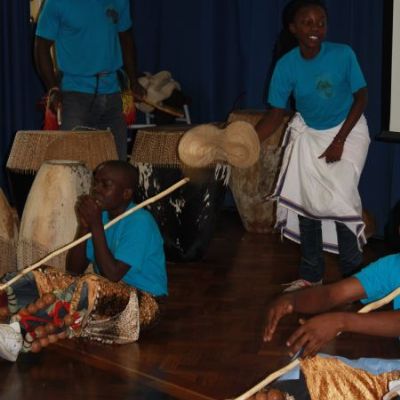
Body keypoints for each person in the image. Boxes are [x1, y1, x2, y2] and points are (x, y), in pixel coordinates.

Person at [0, 160, 167, 361]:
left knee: (90, 284)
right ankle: (8, 314)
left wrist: (95, 224)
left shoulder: (140, 221)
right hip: (104, 294)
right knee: (44, 273)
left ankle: (18, 330)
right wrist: (85, 226)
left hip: (143, 305)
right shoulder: (103, 216)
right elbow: (74, 269)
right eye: (95, 183)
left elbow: (112, 275)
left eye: (105, 185)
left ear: (126, 194)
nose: (96, 190)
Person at [256, 0, 370, 292]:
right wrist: (245, 144)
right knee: (306, 206)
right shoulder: (286, 65)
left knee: (342, 201)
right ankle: (311, 275)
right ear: (293, 28)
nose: (315, 28)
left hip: (349, 130)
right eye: (307, 23)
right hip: (310, 135)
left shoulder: (343, 54)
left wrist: (339, 141)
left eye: (320, 22)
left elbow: (361, 98)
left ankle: (353, 277)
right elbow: (275, 115)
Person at [248, 251, 400, 399]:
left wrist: (341, 322)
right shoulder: (394, 265)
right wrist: (292, 300)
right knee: (311, 372)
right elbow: (333, 294)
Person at [34, 0, 146, 160]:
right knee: (75, 167)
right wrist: (53, 88)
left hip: (114, 94)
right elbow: (41, 46)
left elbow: (126, 39)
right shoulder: (56, 2)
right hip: (75, 97)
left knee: (116, 165)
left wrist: (133, 80)